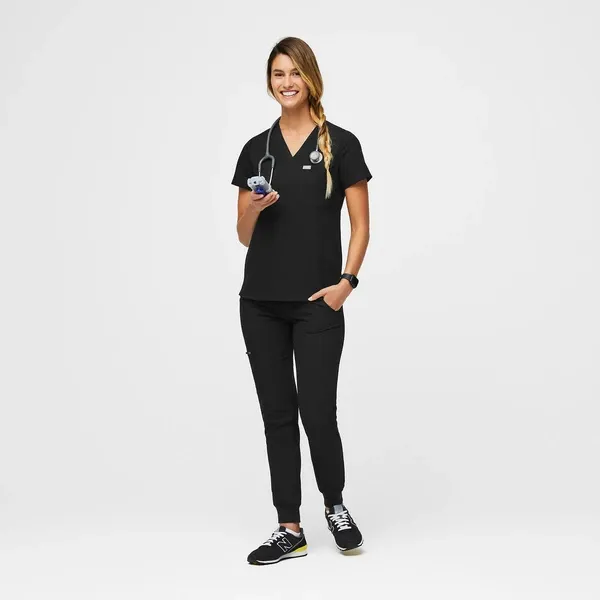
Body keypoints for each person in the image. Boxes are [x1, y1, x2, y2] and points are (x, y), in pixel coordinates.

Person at [231, 36, 372, 566]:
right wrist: (256, 207)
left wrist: (346, 283)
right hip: (260, 303)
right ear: (269, 83)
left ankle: (334, 504)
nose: (286, 82)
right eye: (277, 74)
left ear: (310, 78)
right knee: (277, 415)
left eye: (294, 73)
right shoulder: (256, 149)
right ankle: (289, 527)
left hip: (318, 303)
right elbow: (243, 234)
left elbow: (361, 225)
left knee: (317, 411)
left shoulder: (342, 144)